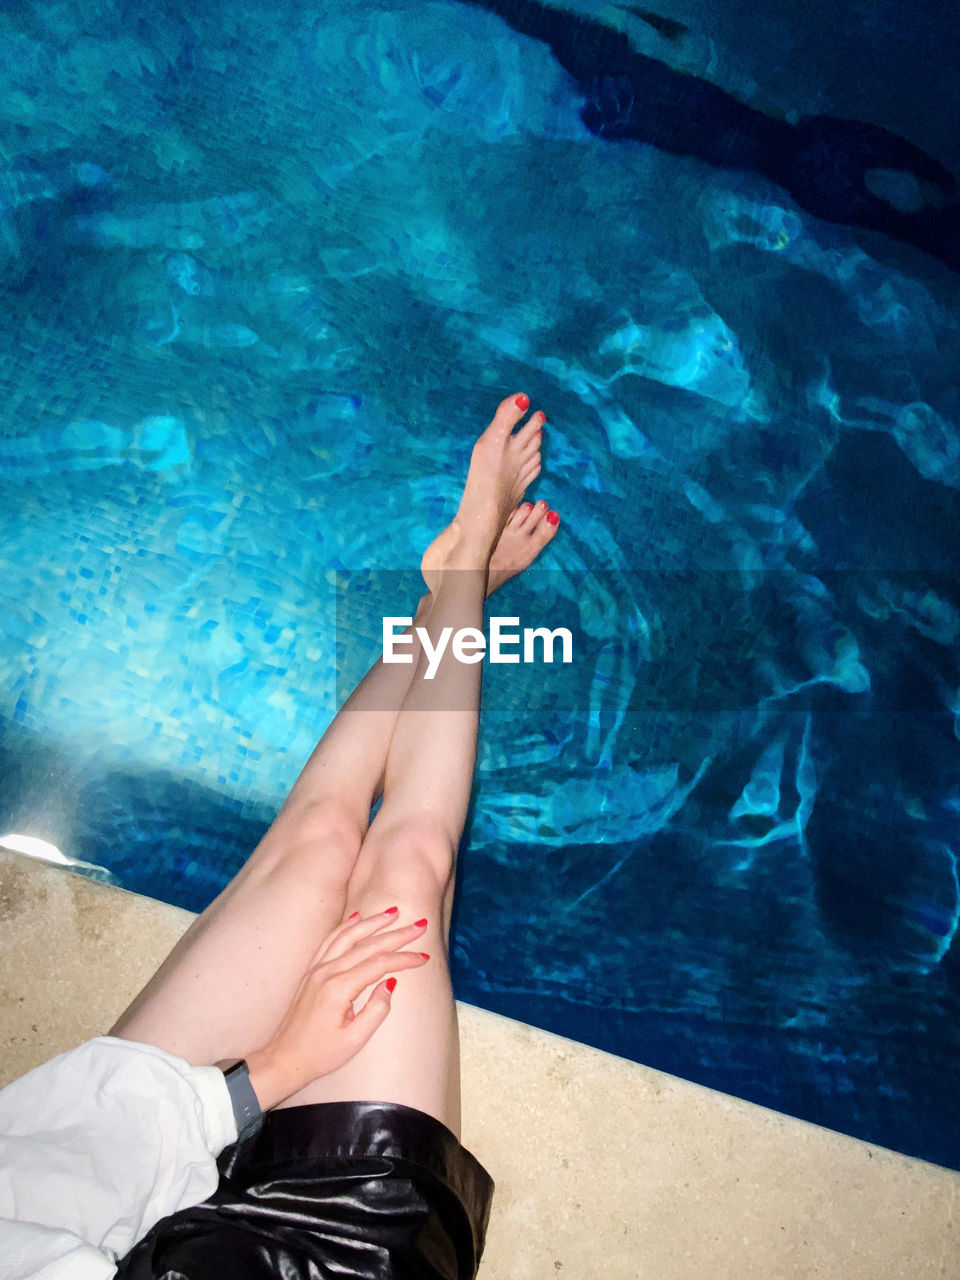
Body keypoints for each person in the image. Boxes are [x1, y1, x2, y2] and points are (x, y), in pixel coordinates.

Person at [0, 392, 560, 1280]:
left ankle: (455, 592)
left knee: (316, 850)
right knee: (406, 873)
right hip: (320, 1256)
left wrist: (265, 1075)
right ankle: (460, 584)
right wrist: (282, 1059)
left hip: (59, 1199)